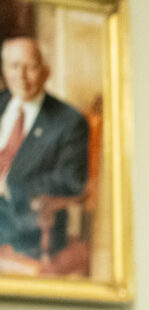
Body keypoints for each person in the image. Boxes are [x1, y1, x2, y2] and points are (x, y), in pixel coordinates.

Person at [0, 37, 89, 261]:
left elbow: (73, 181)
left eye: (30, 67)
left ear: (46, 71)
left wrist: (9, 184)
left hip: (25, 221)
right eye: (13, 66)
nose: (21, 77)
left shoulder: (68, 121)